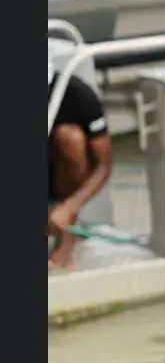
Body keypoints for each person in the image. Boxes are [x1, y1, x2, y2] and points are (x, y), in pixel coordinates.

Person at [47, 63, 112, 271]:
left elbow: (103, 166)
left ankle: (66, 238)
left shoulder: (76, 95)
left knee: (70, 138)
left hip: (57, 180)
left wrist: (69, 207)